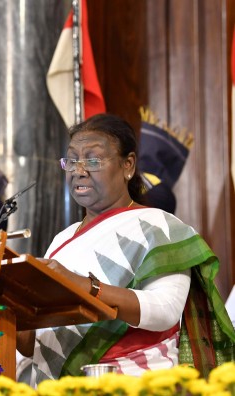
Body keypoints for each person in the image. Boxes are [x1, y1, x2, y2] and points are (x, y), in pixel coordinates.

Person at [16, 113, 234, 385]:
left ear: (128, 165)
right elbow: (37, 346)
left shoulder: (160, 226)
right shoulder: (62, 239)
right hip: (59, 387)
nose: (78, 170)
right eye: (71, 160)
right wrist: (4, 308)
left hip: (134, 383)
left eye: (93, 160)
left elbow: (165, 310)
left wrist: (85, 287)